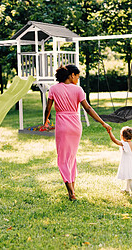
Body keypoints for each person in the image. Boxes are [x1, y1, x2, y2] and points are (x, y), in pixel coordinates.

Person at [44, 65, 111, 201]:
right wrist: (102, 122)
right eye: (77, 76)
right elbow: (88, 108)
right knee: (71, 158)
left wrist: (45, 121)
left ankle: (71, 192)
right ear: (72, 75)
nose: (77, 79)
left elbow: (48, 109)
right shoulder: (78, 90)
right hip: (75, 126)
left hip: (62, 126)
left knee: (63, 159)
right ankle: (72, 189)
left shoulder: (53, 89)